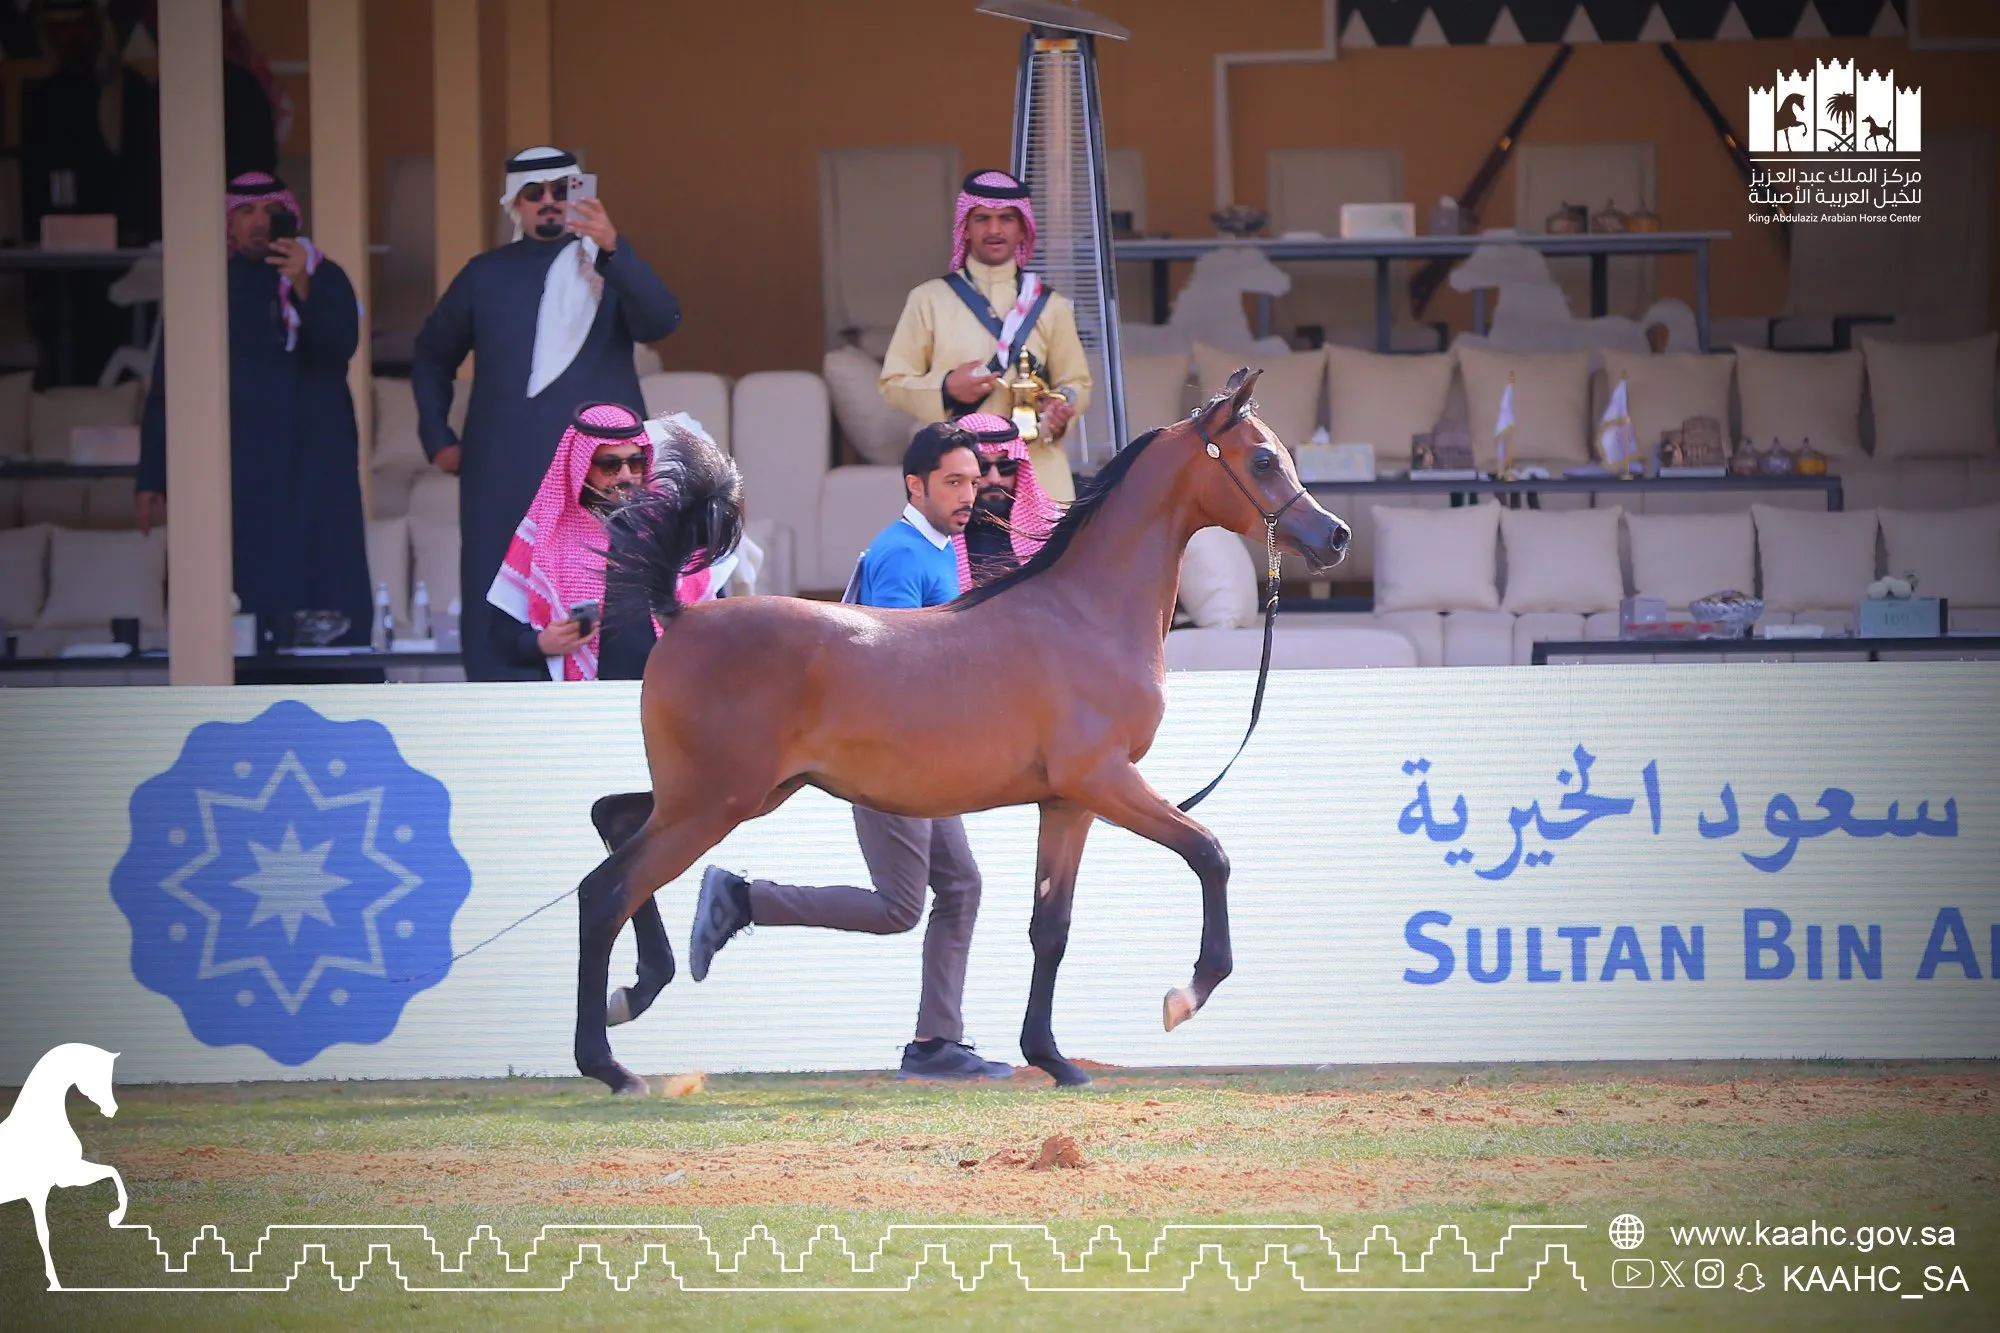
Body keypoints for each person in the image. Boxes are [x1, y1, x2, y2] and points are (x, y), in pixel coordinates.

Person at [684, 423, 1014, 1081]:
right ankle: (743, 899)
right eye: (952, 481)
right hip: (890, 755)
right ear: (914, 485)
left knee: (960, 886)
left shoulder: (935, 549)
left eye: (973, 482)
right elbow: (888, 669)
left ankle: (935, 1044)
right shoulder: (902, 556)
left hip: (922, 756)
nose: (968, 494)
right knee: (899, 908)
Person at [412, 146, 682, 681]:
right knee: (498, 581)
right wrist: (438, 436)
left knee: (614, 578)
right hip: (504, 462)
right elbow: (432, 354)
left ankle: (622, 699)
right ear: (515, 204)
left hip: (604, 466)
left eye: (562, 190)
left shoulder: (607, 264)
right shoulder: (485, 274)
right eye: (534, 193)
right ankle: (497, 706)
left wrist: (612, 247)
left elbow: (660, 320)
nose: (549, 202)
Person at [136, 171, 370, 644]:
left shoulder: (324, 274)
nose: (260, 222)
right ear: (229, 221)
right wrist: (152, 475)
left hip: (316, 461)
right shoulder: (206, 287)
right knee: (250, 583)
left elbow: (338, 347)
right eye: (246, 212)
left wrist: (302, 284)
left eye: (270, 211)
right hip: (241, 460)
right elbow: (170, 383)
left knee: (324, 576)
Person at [878, 169, 1091, 504]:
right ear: (966, 227)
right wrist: (946, 388)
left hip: (1038, 471)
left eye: (1006, 218)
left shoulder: (1051, 306)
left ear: (1023, 228)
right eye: (982, 219)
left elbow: (1077, 382)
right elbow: (893, 383)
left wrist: (1060, 408)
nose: (994, 230)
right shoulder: (928, 300)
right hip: (956, 472)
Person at [487, 402, 738, 681]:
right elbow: (501, 636)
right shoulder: (545, 535)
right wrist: (541, 644)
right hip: (584, 700)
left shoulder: (672, 526)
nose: (626, 475)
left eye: (635, 462)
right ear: (581, 466)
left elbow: (717, 615)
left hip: (668, 690)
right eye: (610, 465)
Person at [20, 0, 160, 384]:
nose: (68, 38)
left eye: (76, 26)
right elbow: (35, 190)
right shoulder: (43, 98)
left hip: (122, 264)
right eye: (57, 29)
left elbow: (147, 182)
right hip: (60, 272)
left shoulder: (130, 92)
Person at [951, 411, 1059, 590]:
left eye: (1005, 466)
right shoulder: (935, 536)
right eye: (982, 468)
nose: (995, 479)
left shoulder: (1052, 528)